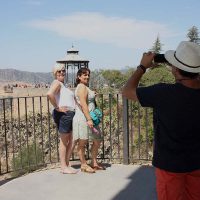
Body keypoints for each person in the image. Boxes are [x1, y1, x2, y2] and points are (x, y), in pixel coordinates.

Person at [122, 41, 200, 200]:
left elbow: (127, 91)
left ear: (175, 69)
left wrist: (142, 67)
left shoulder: (162, 93)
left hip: (170, 165)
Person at [47, 63, 78, 174]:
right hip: (64, 115)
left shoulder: (62, 84)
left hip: (68, 114)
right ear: (55, 73)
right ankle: (64, 167)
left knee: (71, 139)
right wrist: (57, 107)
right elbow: (50, 94)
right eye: (59, 71)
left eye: (64, 71)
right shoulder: (57, 83)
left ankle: (66, 164)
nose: (62, 73)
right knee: (64, 141)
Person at [73, 67, 105, 173]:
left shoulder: (85, 87)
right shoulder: (81, 87)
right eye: (84, 75)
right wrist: (89, 119)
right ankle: (83, 164)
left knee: (97, 140)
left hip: (89, 117)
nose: (87, 76)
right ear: (79, 76)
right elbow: (83, 104)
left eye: (88, 74)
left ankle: (94, 162)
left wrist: (93, 95)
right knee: (82, 142)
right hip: (84, 118)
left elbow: (88, 100)